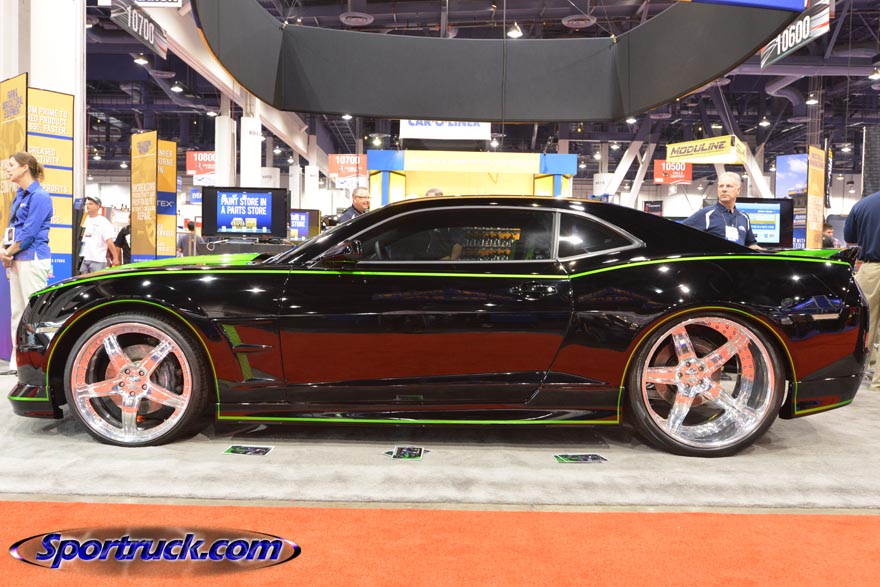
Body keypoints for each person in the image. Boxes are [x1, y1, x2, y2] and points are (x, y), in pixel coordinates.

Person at [1, 152, 54, 374]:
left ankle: (40, 364)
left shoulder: (40, 196)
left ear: (25, 168)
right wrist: (5, 251)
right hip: (17, 259)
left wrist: (8, 252)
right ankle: (19, 363)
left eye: (11, 165)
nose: (7, 169)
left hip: (33, 259)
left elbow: (30, 233)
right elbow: (13, 228)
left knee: (34, 313)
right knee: (18, 313)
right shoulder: (19, 195)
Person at [844, 190, 880, 391]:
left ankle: (856, 378)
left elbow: (850, 240)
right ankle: (878, 383)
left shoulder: (863, 205)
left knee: (866, 325)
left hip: (870, 269)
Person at [682, 171, 760, 249]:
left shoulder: (744, 217)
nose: (724, 189)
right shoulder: (706, 214)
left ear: (738, 190)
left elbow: (751, 244)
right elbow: (680, 232)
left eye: (728, 186)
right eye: (721, 186)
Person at [79, 195, 119, 274]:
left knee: (97, 281)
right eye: (87, 204)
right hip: (83, 259)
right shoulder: (83, 220)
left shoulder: (103, 222)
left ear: (97, 206)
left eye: (90, 204)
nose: (88, 206)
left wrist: (115, 257)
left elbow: (109, 241)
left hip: (98, 260)